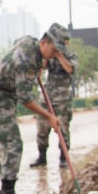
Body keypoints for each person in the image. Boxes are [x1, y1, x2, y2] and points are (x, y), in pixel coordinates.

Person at [0, 24, 71, 194]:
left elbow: (18, 43)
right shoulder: (26, 63)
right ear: (44, 42)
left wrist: (40, 65)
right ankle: (7, 192)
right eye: (54, 50)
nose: (54, 55)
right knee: (12, 144)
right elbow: (25, 99)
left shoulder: (30, 41)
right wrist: (49, 116)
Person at [28, 25, 77, 169]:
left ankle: (63, 157)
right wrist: (47, 58)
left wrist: (59, 55)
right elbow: (41, 68)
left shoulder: (70, 56)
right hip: (47, 98)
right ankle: (42, 157)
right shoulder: (48, 54)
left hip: (62, 100)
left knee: (63, 130)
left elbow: (70, 69)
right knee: (42, 129)